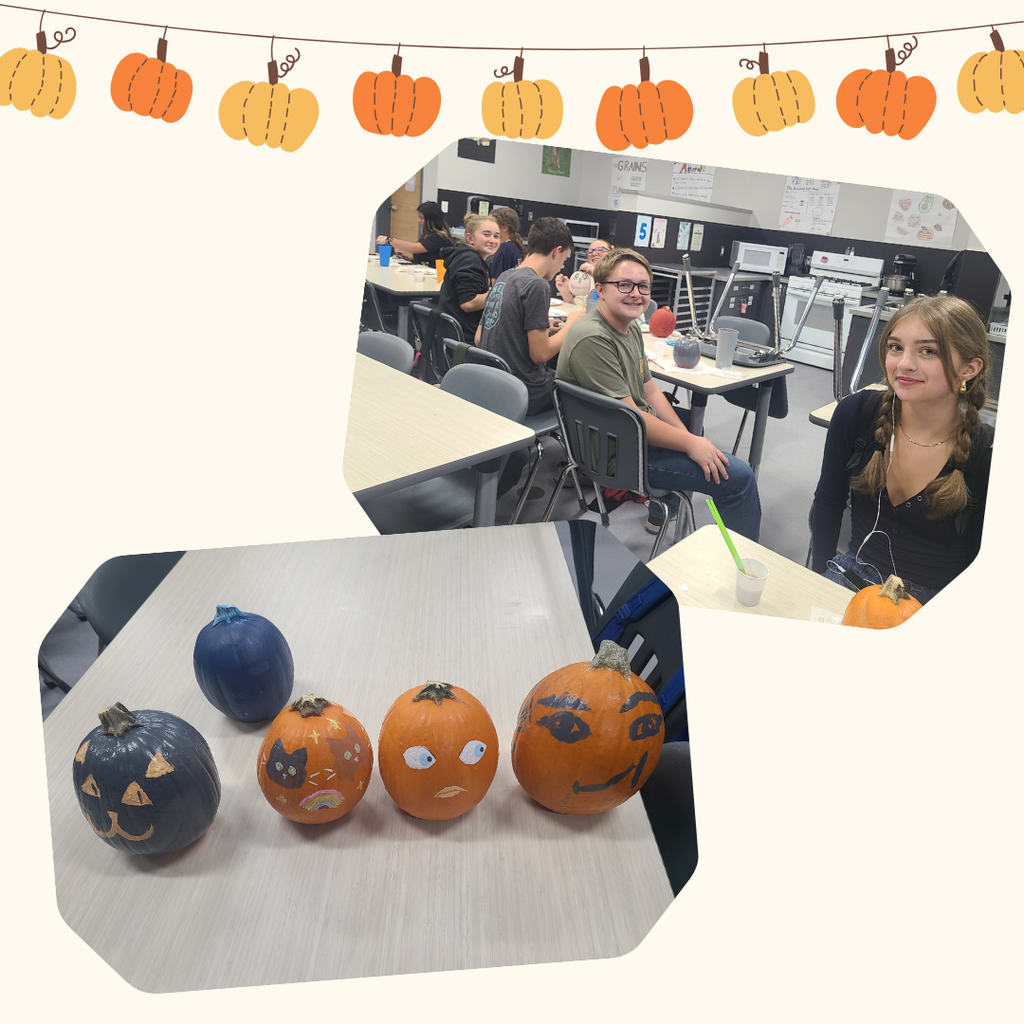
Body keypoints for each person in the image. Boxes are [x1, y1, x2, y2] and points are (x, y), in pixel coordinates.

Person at [556, 247, 761, 538]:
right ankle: (741, 570)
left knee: (691, 424)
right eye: (624, 285)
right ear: (600, 290)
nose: (636, 293)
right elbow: (632, 416)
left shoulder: (631, 328)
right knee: (739, 478)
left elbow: (650, 391)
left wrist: (690, 439)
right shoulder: (594, 338)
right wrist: (690, 444)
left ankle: (664, 505)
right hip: (617, 453)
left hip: (625, 434)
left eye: (643, 286)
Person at [810, 294, 992, 604]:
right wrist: (817, 584)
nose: (904, 364)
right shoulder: (857, 414)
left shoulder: (986, 451)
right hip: (853, 577)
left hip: (933, 599)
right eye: (896, 347)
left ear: (969, 368)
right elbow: (828, 504)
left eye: (928, 351)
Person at [476, 217, 586, 415]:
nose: (561, 266)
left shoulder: (505, 277)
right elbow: (540, 355)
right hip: (525, 390)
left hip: (492, 382)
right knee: (585, 388)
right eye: (564, 259)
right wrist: (571, 325)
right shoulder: (537, 285)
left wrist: (543, 329)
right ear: (556, 251)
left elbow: (479, 338)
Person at [436, 214, 501, 340]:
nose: (492, 240)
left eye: (496, 236)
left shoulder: (467, 256)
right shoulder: (469, 261)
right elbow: (468, 303)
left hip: (452, 333)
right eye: (486, 235)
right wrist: (500, 295)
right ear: (470, 238)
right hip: (464, 338)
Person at [375, 201, 454, 266]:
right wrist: (406, 258)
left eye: (421, 218)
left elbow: (414, 248)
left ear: (430, 220)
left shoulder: (440, 237)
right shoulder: (428, 235)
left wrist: (390, 240)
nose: (419, 221)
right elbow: (425, 257)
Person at [555, 238, 611, 302]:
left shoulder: (618, 275)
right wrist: (565, 292)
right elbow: (578, 307)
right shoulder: (587, 278)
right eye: (590, 251)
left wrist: (595, 273)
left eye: (600, 250)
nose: (594, 253)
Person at [488, 207, 526, 283]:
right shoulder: (514, 246)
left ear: (504, 228)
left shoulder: (504, 248)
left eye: (491, 223)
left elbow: (494, 282)